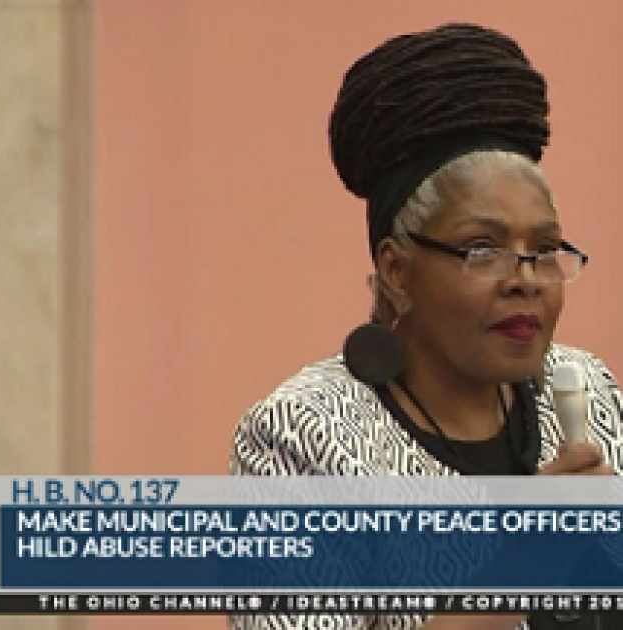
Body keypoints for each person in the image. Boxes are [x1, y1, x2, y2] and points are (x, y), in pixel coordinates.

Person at [229, 23, 622, 630]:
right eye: (483, 249)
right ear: (397, 271)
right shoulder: (302, 437)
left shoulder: (588, 393)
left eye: (545, 250)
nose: (528, 279)